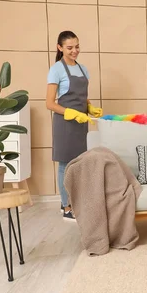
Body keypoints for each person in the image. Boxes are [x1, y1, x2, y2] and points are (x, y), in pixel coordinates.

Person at [46, 31, 103, 220]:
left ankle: (80, 203)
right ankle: (66, 206)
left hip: (80, 123)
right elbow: (50, 103)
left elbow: (81, 96)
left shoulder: (83, 69)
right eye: (70, 48)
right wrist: (69, 112)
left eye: (77, 46)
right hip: (64, 123)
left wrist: (90, 107)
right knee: (65, 164)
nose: (74, 51)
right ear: (60, 48)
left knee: (80, 164)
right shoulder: (56, 69)